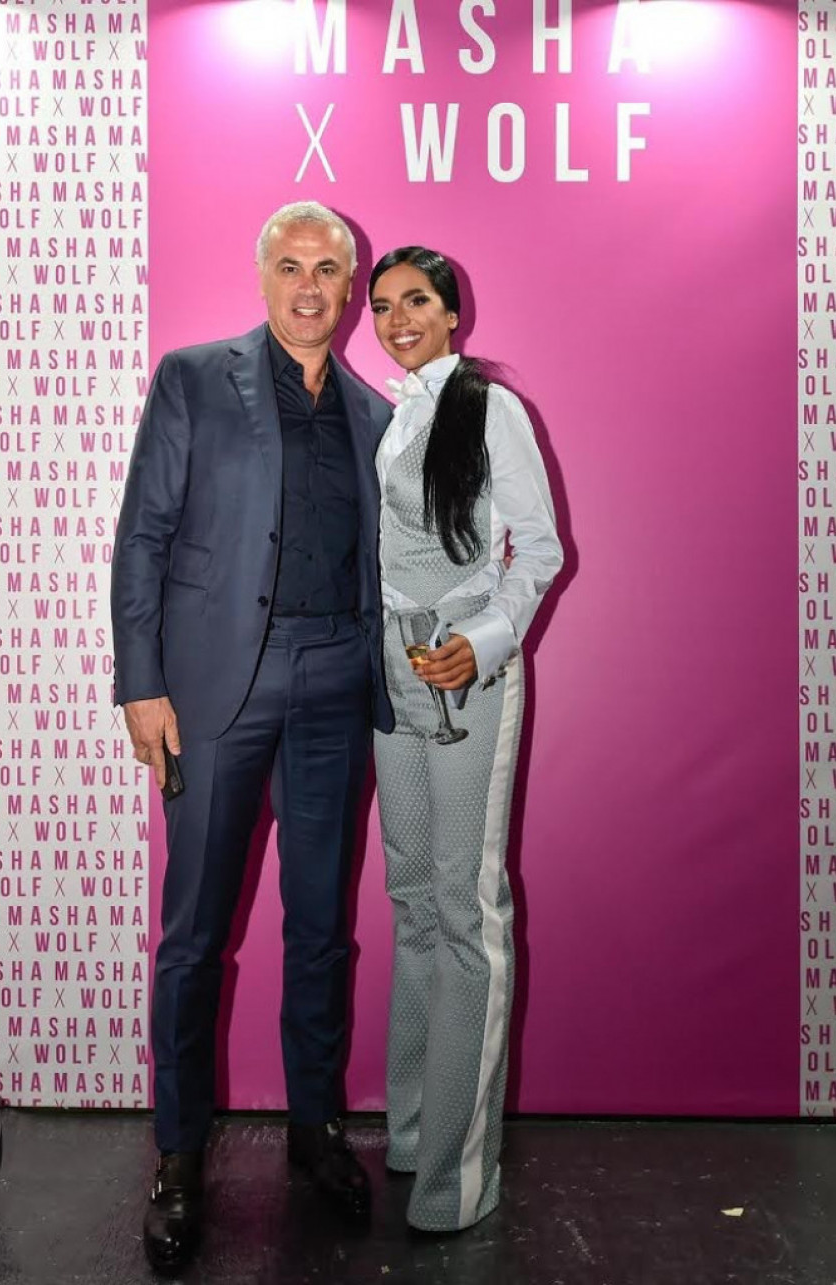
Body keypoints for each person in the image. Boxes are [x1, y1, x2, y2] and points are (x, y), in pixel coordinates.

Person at [111, 201, 393, 1274]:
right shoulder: (194, 378)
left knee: (320, 929)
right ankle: (180, 1155)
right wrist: (143, 683)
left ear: (352, 286)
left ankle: (315, 1133)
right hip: (216, 690)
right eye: (290, 265)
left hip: (335, 683)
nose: (309, 285)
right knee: (194, 934)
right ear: (264, 273)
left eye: (328, 268)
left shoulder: (373, 413)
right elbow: (143, 535)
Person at [368, 247, 563, 1233]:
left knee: (464, 907)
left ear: (453, 313)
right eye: (382, 304)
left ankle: (459, 1173)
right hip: (391, 670)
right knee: (411, 900)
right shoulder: (387, 414)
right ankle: (411, 1136)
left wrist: (482, 643)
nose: (397, 317)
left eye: (417, 300)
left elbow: (542, 548)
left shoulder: (491, 409)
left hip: (466, 670)